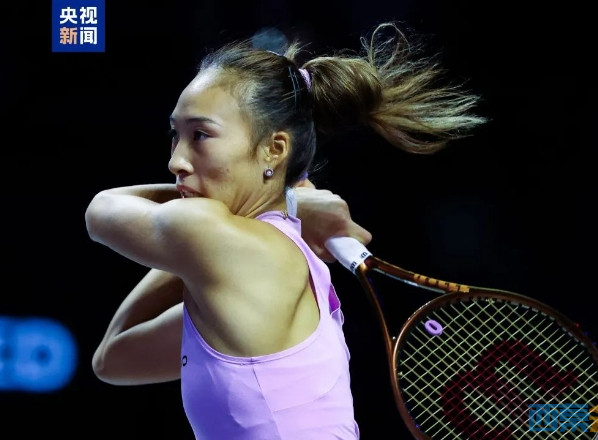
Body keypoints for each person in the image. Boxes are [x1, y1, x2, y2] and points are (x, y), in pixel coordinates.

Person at [85, 22, 485, 439]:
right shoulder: (240, 259)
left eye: (201, 135)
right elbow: (114, 358)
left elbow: (100, 210)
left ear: (273, 150)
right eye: (176, 134)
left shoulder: (238, 249)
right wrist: (283, 201)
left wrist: (286, 201)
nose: (176, 161)